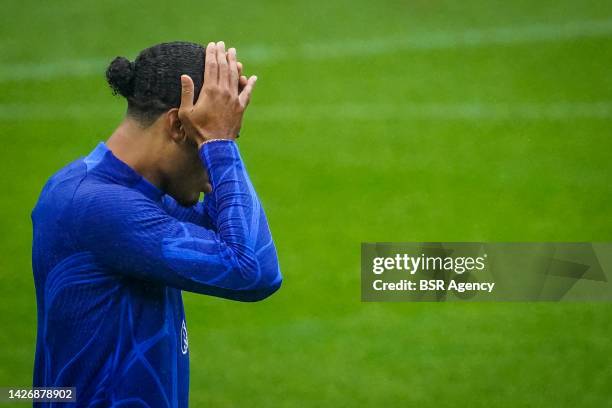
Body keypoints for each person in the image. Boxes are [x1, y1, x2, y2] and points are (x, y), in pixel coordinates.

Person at [31, 40, 282, 407]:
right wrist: (219, 142)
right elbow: (253, 269)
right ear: (178, 127)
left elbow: (228, 229)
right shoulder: (96, 205)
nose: (212, 179)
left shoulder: (126, 192)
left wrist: (217, 137)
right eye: (204, 143)